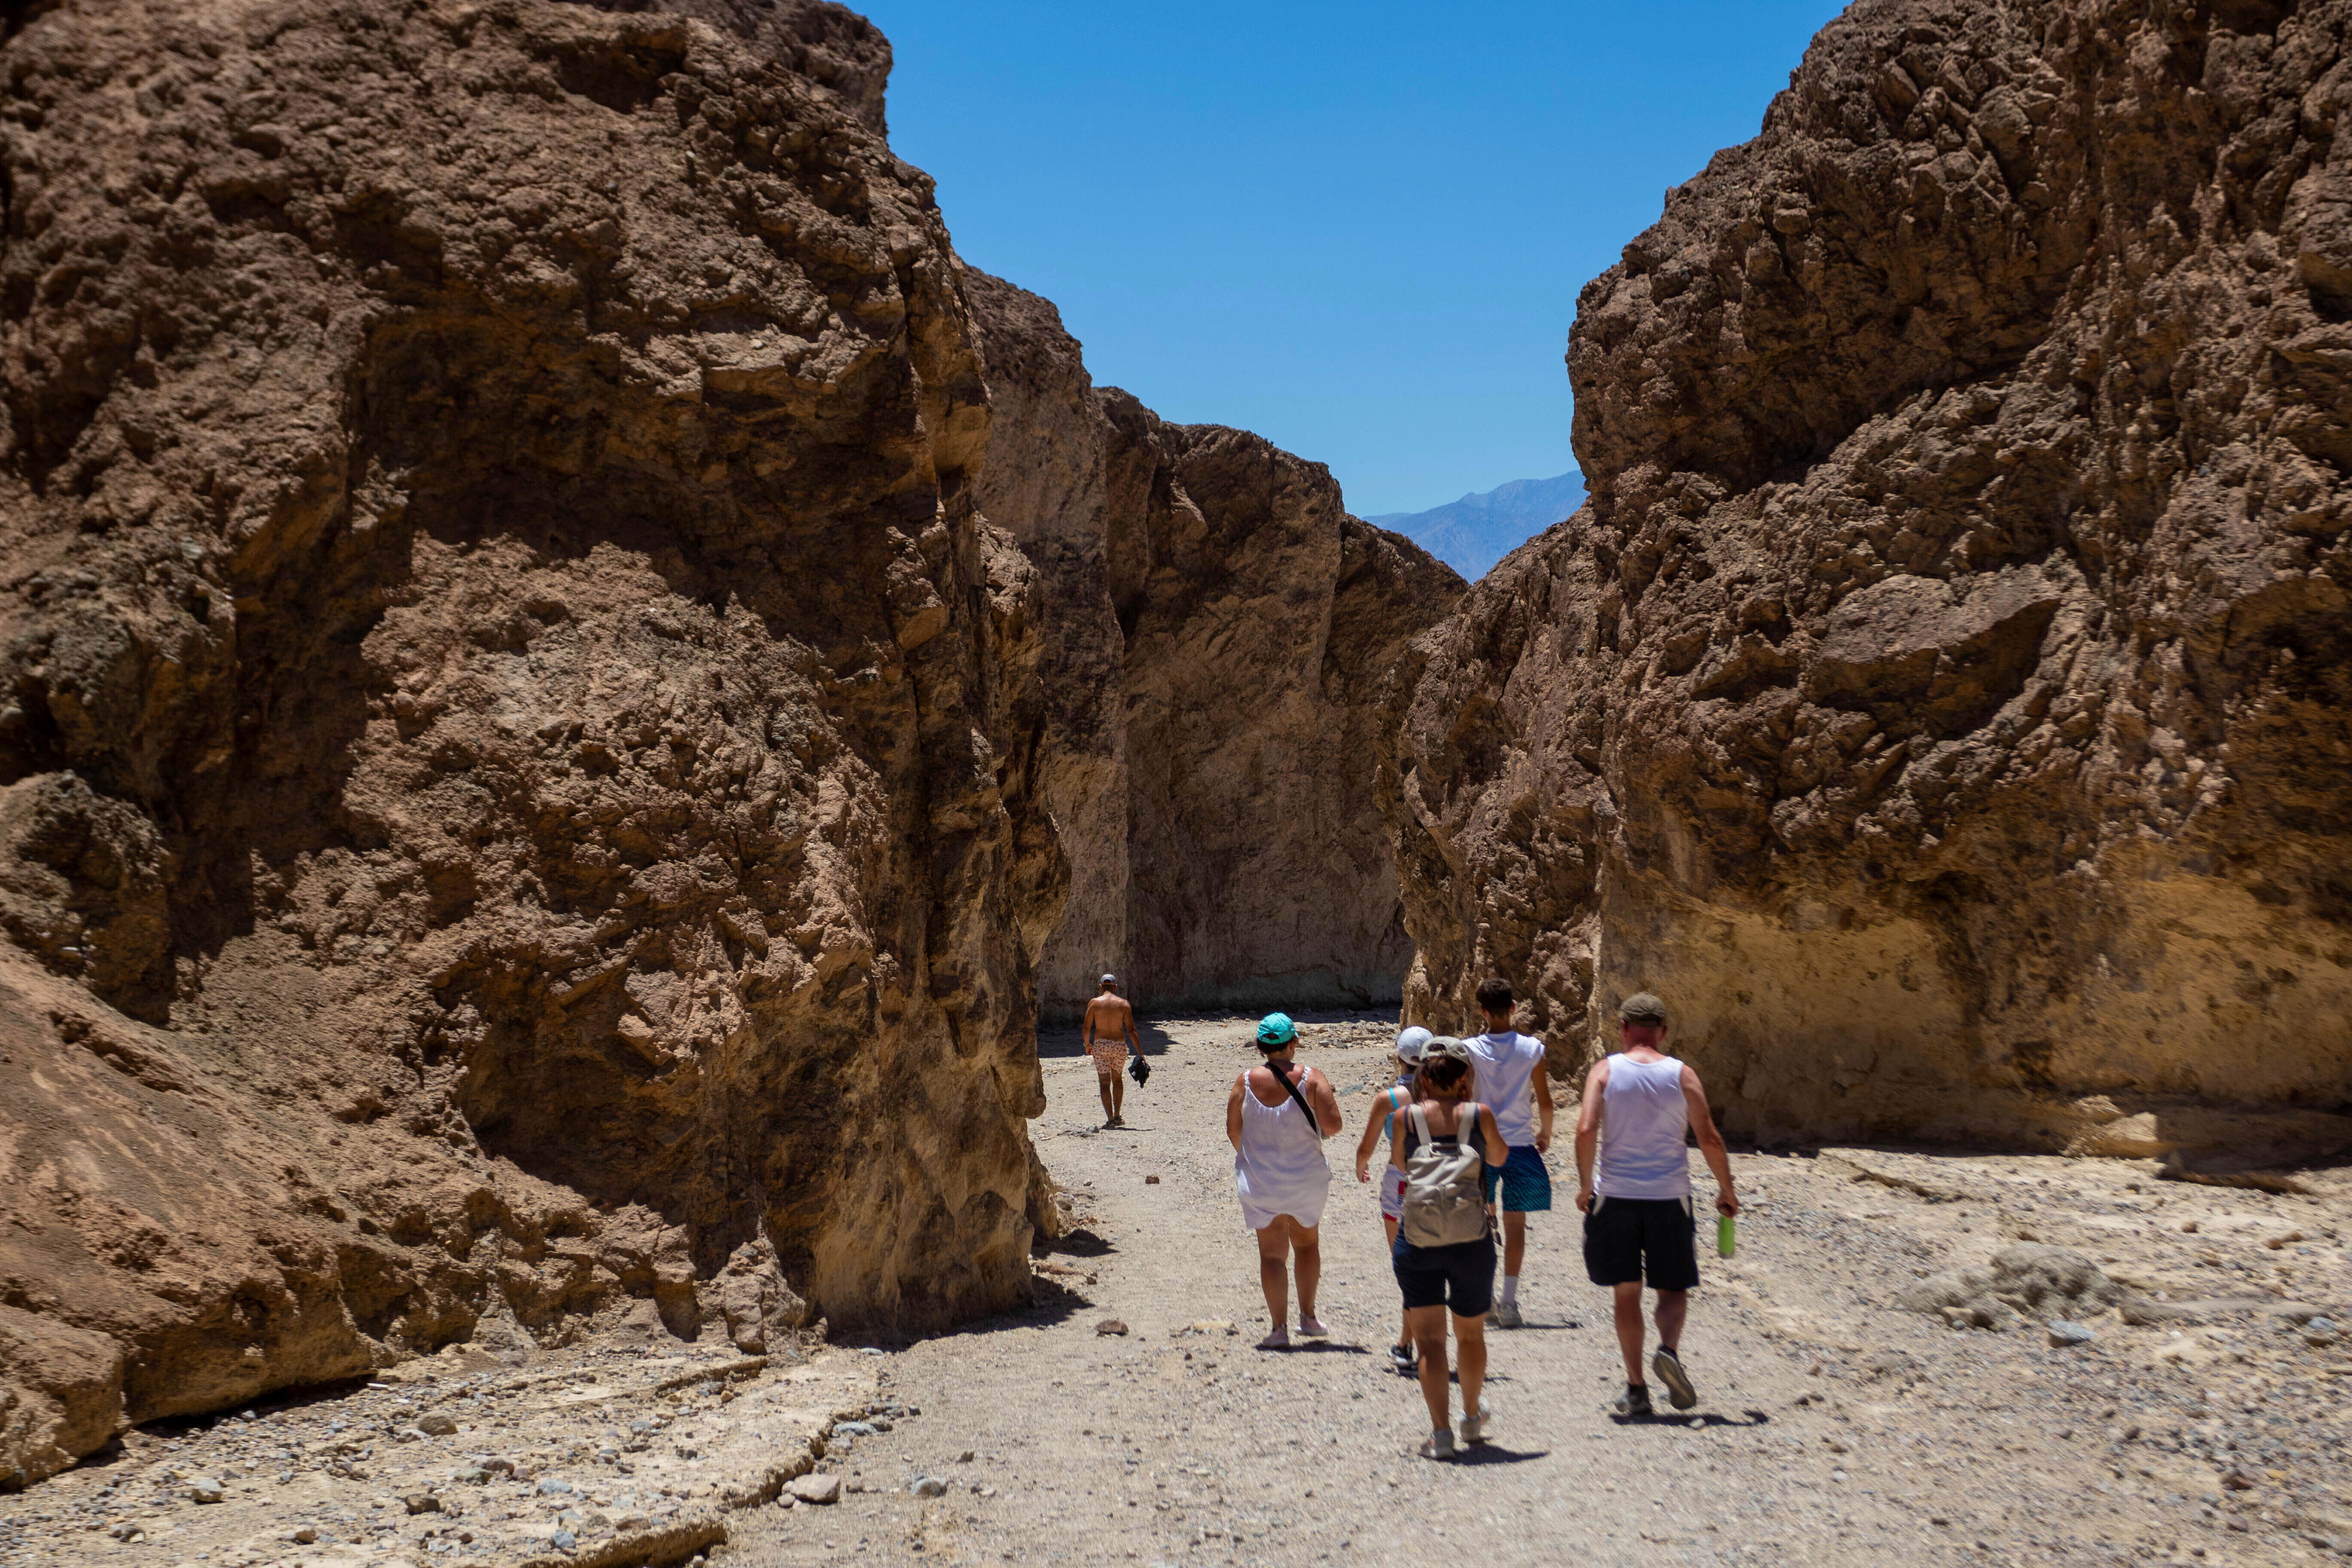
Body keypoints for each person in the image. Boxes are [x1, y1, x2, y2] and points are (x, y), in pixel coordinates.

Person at [1573, 991, 1740, 1416]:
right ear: (1663, 1032)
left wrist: (1583, 1184)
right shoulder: (1683, 1074)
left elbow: (1587, 1127)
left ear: (1625, 1028)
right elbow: (1709, 1137)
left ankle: (1636, 1388)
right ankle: (1667, 1349)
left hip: (1615, 1196)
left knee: (1626, 1293)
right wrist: (1726, 1189)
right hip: (1669, 1197)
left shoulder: (1606, 1070)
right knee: (1672, 1287)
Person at [1388, 1036, 1507, 1459]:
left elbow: (1402, 1166)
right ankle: (1472, 1418)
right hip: (1471, 1239)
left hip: (1418, 1239)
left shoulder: (1406, 1117)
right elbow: (1498, 1158)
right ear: (1463, 1078)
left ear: (1423, 1077)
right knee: (1470, 1336)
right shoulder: (1481, 1114)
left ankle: (1440, 1434)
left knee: (1431, 1343)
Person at [1226, 1011, 1343, 1348]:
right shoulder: (1313, 1078)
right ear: (1293, 1042)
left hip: (1262, 1182)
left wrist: (1254, 1155)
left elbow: (1234, 1130)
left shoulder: (1244, 1081)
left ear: (1262, 1046)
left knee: (1272, 1255)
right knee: (1307, 1244)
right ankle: (1308, 1317)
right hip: (1306, 1178)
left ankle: (1279, 1328)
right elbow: (1334, 1126)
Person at [1466, 976, 1554, 1327]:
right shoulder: (1533, 1049)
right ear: (1514, 1008)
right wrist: (1545, 1134)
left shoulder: (1470, 1048)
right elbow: (1545, 1101)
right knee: (1516, 1224)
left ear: (1483, 1011)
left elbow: (1466, 1093)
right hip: (1519, 1144)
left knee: (1479, 1223)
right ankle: (1509, 1302)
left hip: (1481, 1144)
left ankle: (1483, 1297)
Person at [1353, 1025, 1434, 1376]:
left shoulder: (1389, 1099)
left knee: (1407, 1266)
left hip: (1399, 1182)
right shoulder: (1447, 1094)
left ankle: (1409, 1344)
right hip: (1439, 1181)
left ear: (1399, 1057)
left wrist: (1361, 1166)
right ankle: (1413, 1340)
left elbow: (1366, 1147)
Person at [1083, 974, 1142, 1128]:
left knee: (1104, 1083)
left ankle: (1110, 1119)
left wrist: (1087, 1045)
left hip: (1101, 1045)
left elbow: (1087, 1028)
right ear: (1115, 987)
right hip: (1119, 1045)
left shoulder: (1095, 1003)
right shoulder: (1124, 1004)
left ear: (1101, 987)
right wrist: (1140, 1052)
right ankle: (1117, 1116)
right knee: (1117, 1080)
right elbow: (1131, 1030)